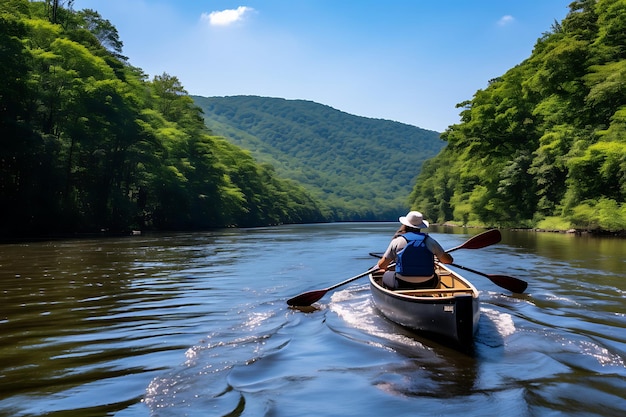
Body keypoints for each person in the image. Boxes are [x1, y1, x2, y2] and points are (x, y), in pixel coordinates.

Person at [376, 211, 453, 289]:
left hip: (401, 283)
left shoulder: (397, 241)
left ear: (405, 225)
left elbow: (382, 265)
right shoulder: (430, 241)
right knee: (437, 274)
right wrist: (445, 256)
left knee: (385, 275)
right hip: (428, 283)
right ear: (421, 226)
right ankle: (433, 295)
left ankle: (391, 296)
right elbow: (447, 261)